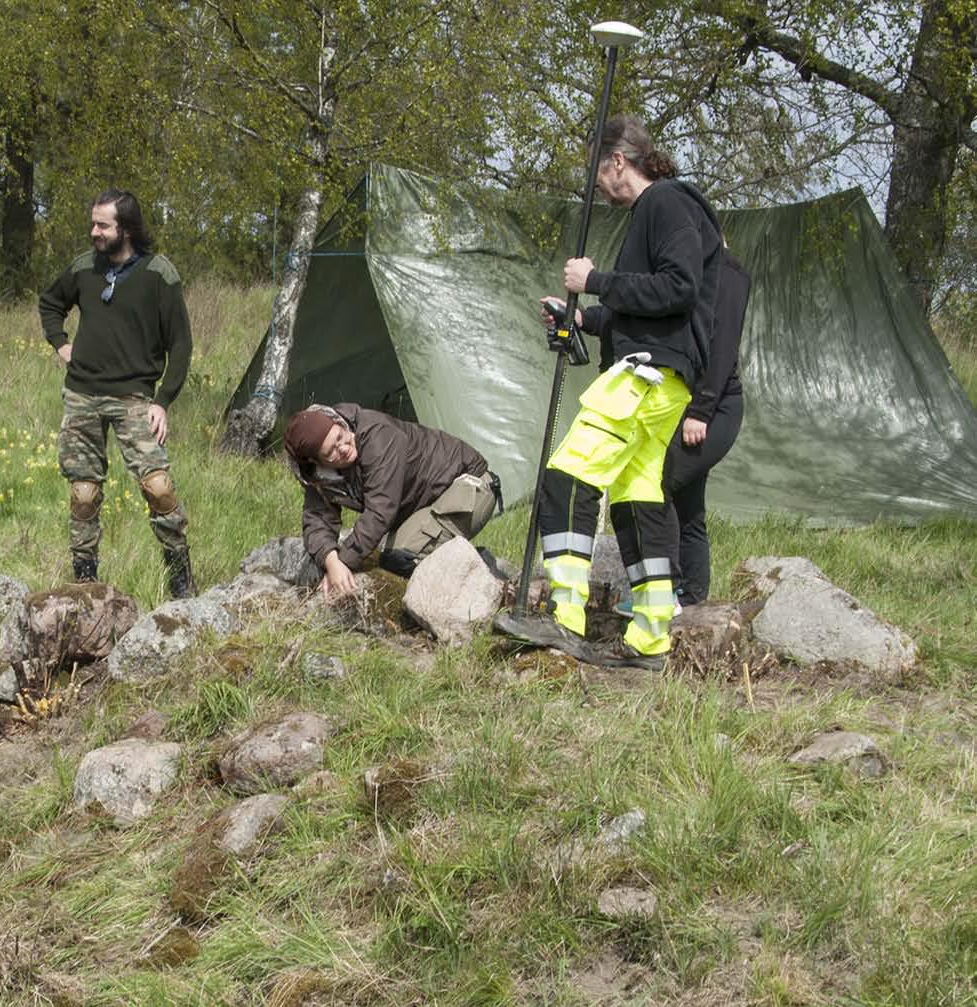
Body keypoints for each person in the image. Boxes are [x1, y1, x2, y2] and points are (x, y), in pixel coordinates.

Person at [495, 114, 722, 670]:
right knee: (637, 500)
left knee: (568, 477)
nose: (595, 183)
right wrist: (582, 318)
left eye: (596, 169)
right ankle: (650, 639)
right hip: (662, 375)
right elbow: (650, 311)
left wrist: (594, 281)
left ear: (618, 160)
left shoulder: (665, 203)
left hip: (644, 376)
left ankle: (563, 619)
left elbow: (679, 286)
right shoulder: (663, 208)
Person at [38, 188, 195, 596]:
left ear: (125, 228)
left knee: (159, 489)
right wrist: (61, 344)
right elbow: (50, 303)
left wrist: (163, 400)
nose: (94, 231)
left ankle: (181, 580)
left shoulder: (159, 273)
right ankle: (85, 584)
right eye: (93, 223)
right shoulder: (84, 268)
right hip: (82, 396)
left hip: (134, 399)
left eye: (102, 225)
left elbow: (181, 344)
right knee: (84, 494)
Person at [284, 403, 500, 598]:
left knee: (399, 557)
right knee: (385, 552)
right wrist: (330, 561)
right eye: (331, 451)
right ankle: (471, 563)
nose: (343, 448)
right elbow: (317, 518)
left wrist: (344, 561)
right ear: (316, 461)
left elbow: (380, 511)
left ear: (339, 424)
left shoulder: (378, 436)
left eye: (341, 436)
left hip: (468, 487)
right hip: (426, 502)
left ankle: (486, 583)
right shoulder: (318, 475)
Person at [665, 247, 749, 605]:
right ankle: (693, 593)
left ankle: (663, 590)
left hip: (713, 408)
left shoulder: (727, 273)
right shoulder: (690, 272)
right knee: (688, 504)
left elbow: (723, 347)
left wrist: (700, 411)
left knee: (657, 486)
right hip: (683, 403)